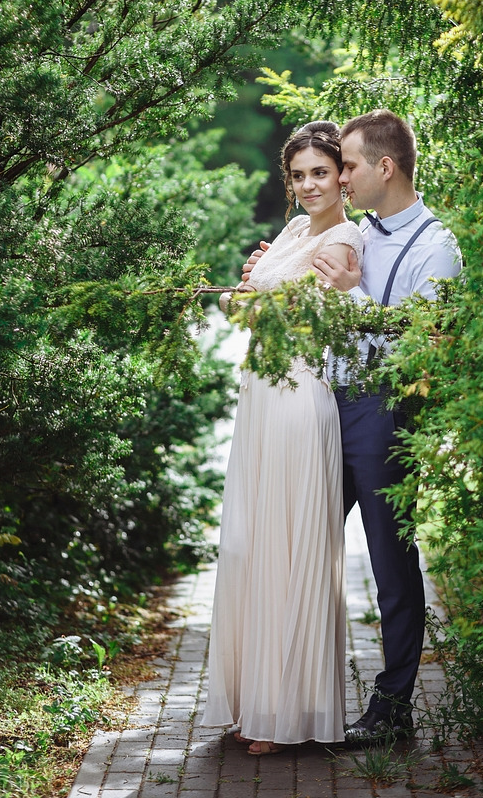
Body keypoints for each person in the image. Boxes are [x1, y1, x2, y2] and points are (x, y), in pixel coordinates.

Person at [242, 109, 462, 748]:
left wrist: (355, 297)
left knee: (391, 567)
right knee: (298, 550)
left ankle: (392, 708)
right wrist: (275, 269)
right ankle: (284, 703)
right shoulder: (352, 231)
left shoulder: (435, 247)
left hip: (382, 413)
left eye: (352, 165)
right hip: (320, 407)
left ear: (383, 168)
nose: (340, 176)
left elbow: (430, 348)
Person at [202, 122, 364, 756]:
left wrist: (254, 294)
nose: (308, 185)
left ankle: (282, 711)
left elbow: (312, 315)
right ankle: (254, 698)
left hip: (299, 400)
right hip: (260, 399)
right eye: (298, 175)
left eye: (320, 172)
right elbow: (242, 304)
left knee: (288, 545)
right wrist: (252, 285)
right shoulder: (297, 232)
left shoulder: (345, 239)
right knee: (250, 545)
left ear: (342, 177)